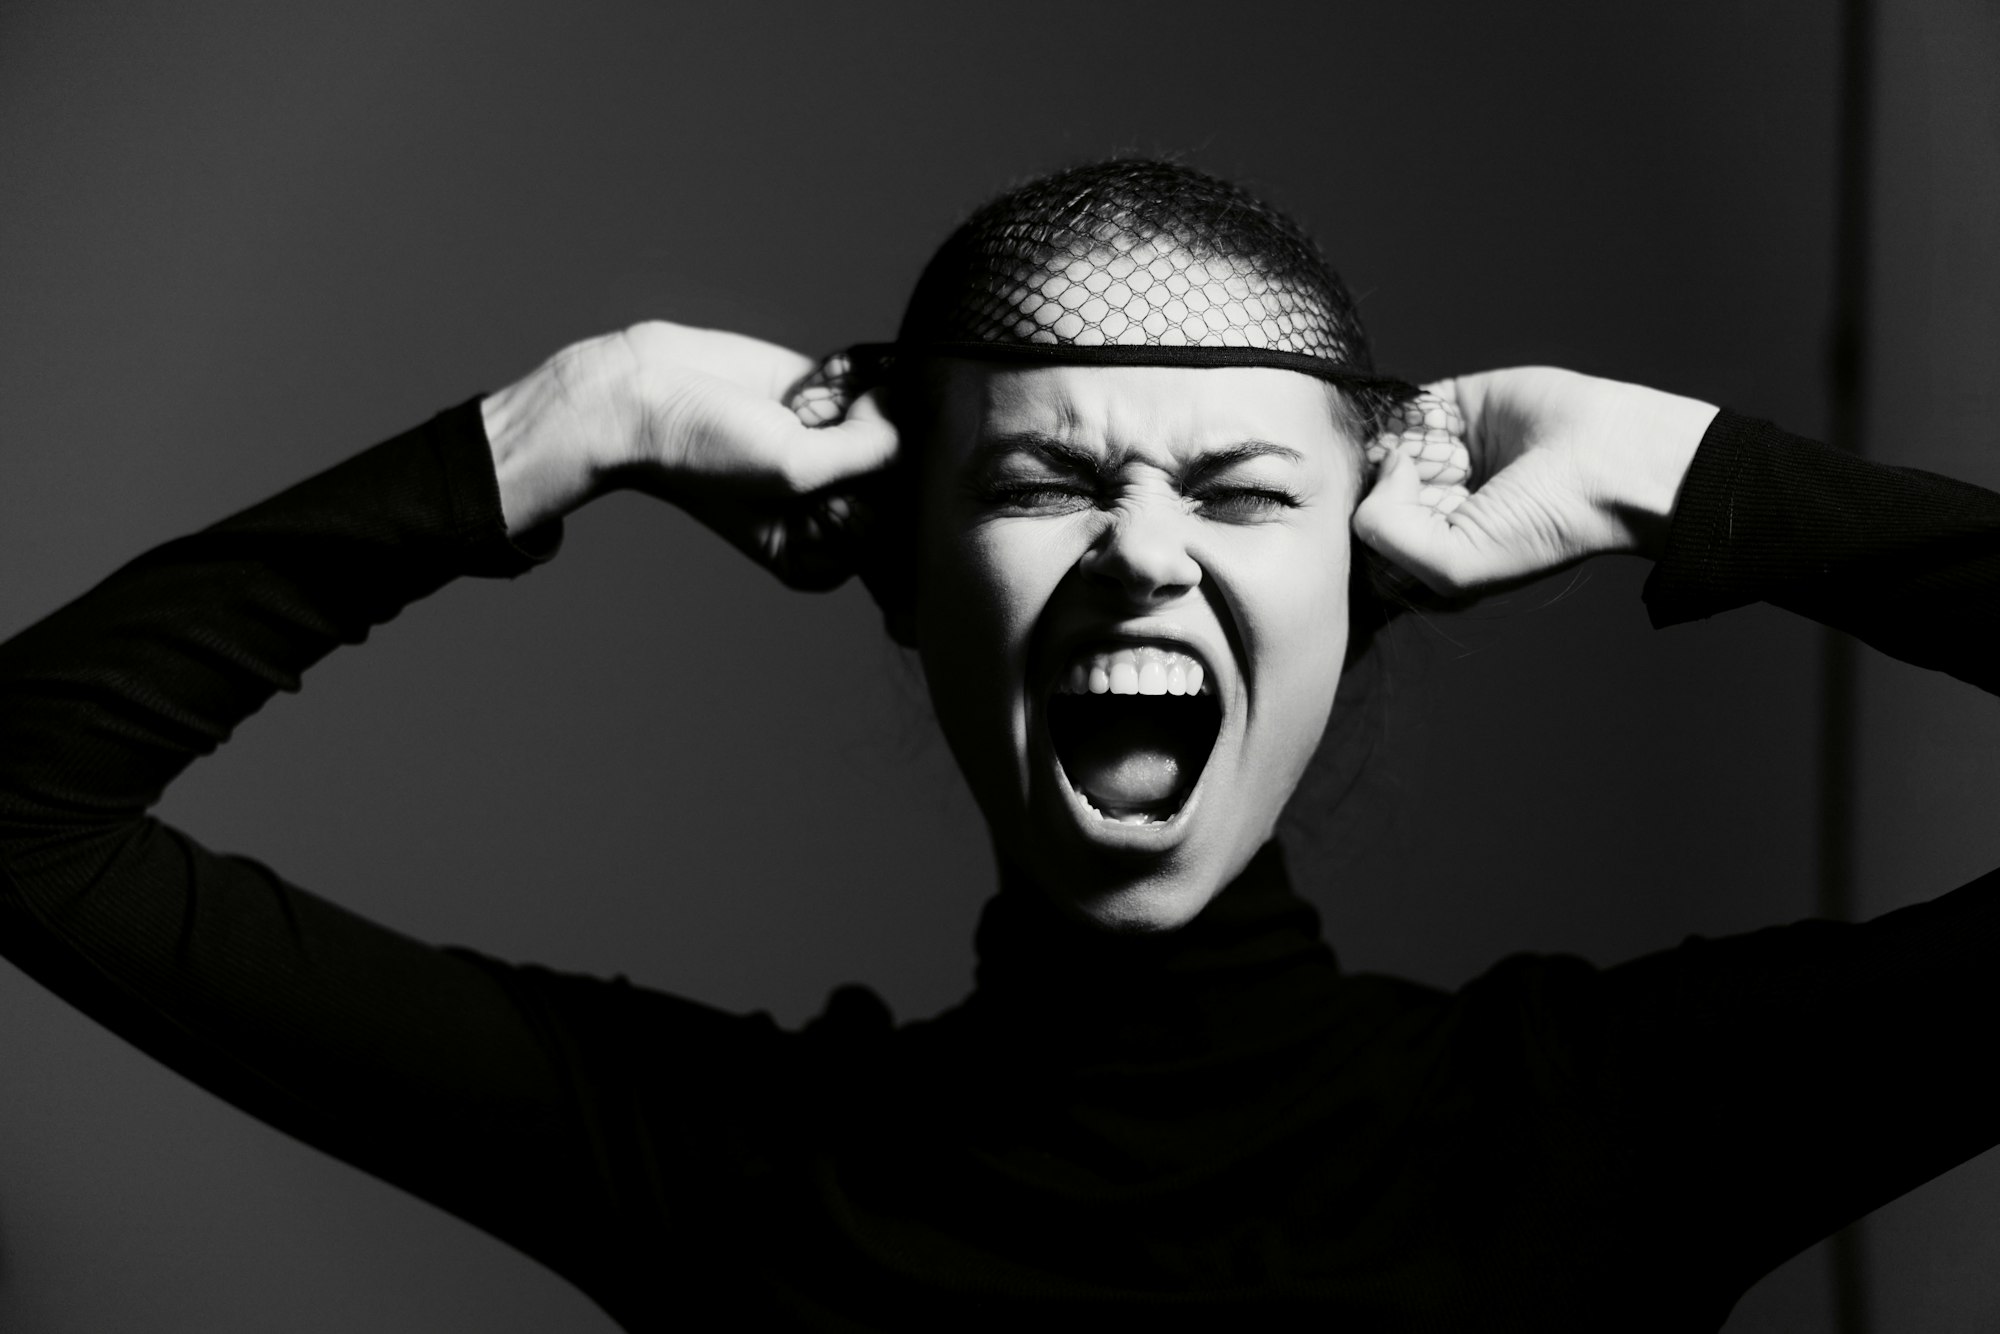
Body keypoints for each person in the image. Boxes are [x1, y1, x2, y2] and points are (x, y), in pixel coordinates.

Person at [1, 158, 1996, 1332]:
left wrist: (1700, 473)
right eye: (1049, 483)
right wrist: (565, 421)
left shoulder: (1613, 1124)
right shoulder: (718, 1171)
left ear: (1363, 578)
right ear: (898, 574)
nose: (1140, 549)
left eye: (1236, 494)